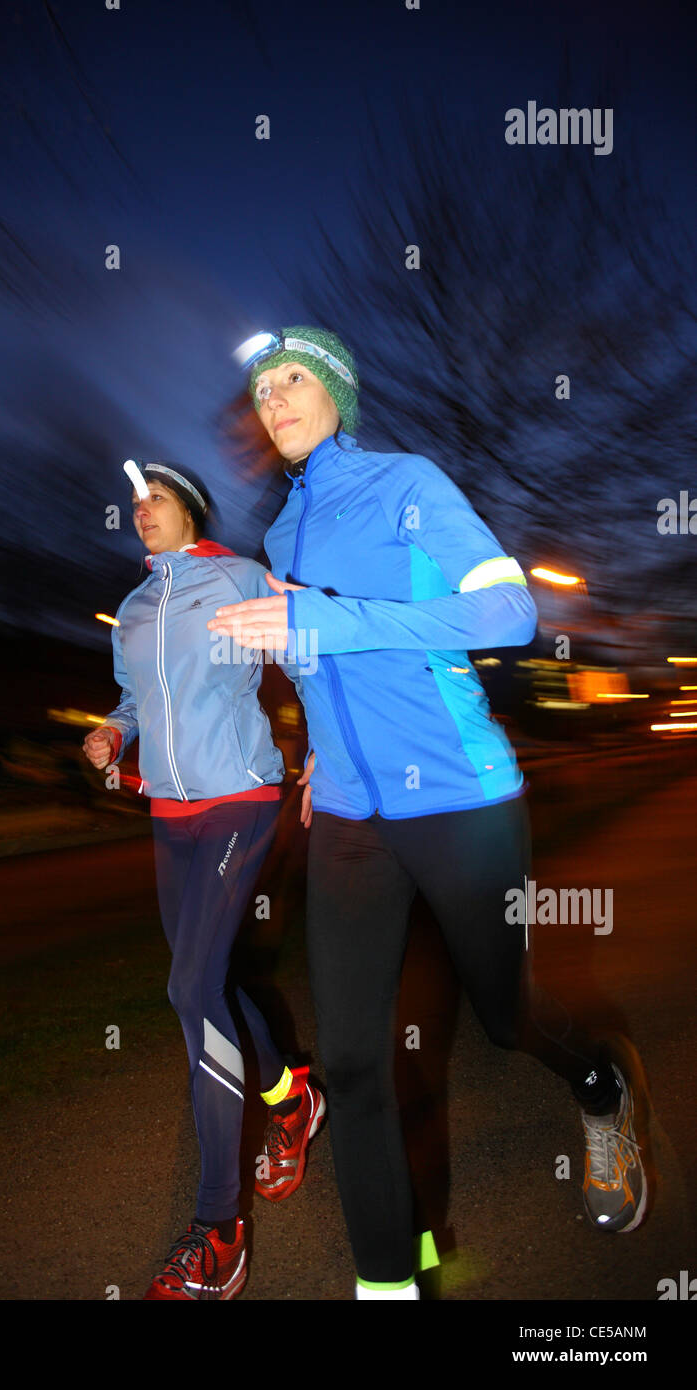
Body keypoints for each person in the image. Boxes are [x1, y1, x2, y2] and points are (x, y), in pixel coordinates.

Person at [209, 326, 649, 1301]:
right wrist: (320, 741)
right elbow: (320, 659)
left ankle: (599, 1085)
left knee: (504, 1018)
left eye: (293, 379)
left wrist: (324, 620)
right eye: (260, 388)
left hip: (459, 797)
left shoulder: (406, 484)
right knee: (356, 1066)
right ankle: (391, 1286)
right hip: (355, 823)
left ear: (336, 392)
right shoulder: (277, 537)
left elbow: (505, 613)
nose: (273, 399)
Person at [83, 461, 325, 1301]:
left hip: (241, 797)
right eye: (133, 504)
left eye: (154, 499)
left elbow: (301, 649)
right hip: (169, 814)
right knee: (208, 981)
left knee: (189, 988)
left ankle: (219, 1228)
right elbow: (130, 699)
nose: (140, 511)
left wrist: (321, 744)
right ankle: (293, 1099)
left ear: (189, 509)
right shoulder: (136, 608)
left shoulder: (236, 574)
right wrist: (113, 736)